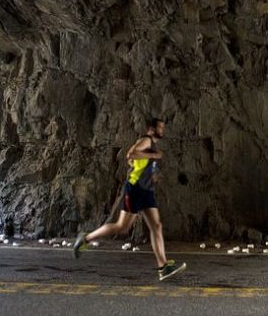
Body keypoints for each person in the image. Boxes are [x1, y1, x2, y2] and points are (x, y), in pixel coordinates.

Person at [73, 118, 186, 281]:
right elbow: (131, 154)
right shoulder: (145, 140)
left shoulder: (150, 145)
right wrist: (154, 155)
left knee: (156, 225)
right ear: (151, 129)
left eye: (163, 127)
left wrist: (151, 173)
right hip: (135, 189)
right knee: (122, 227)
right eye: (160, 127)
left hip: (146, 190)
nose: (162, 130)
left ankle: (164, 267)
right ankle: (86, 238)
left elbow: (134, 160)